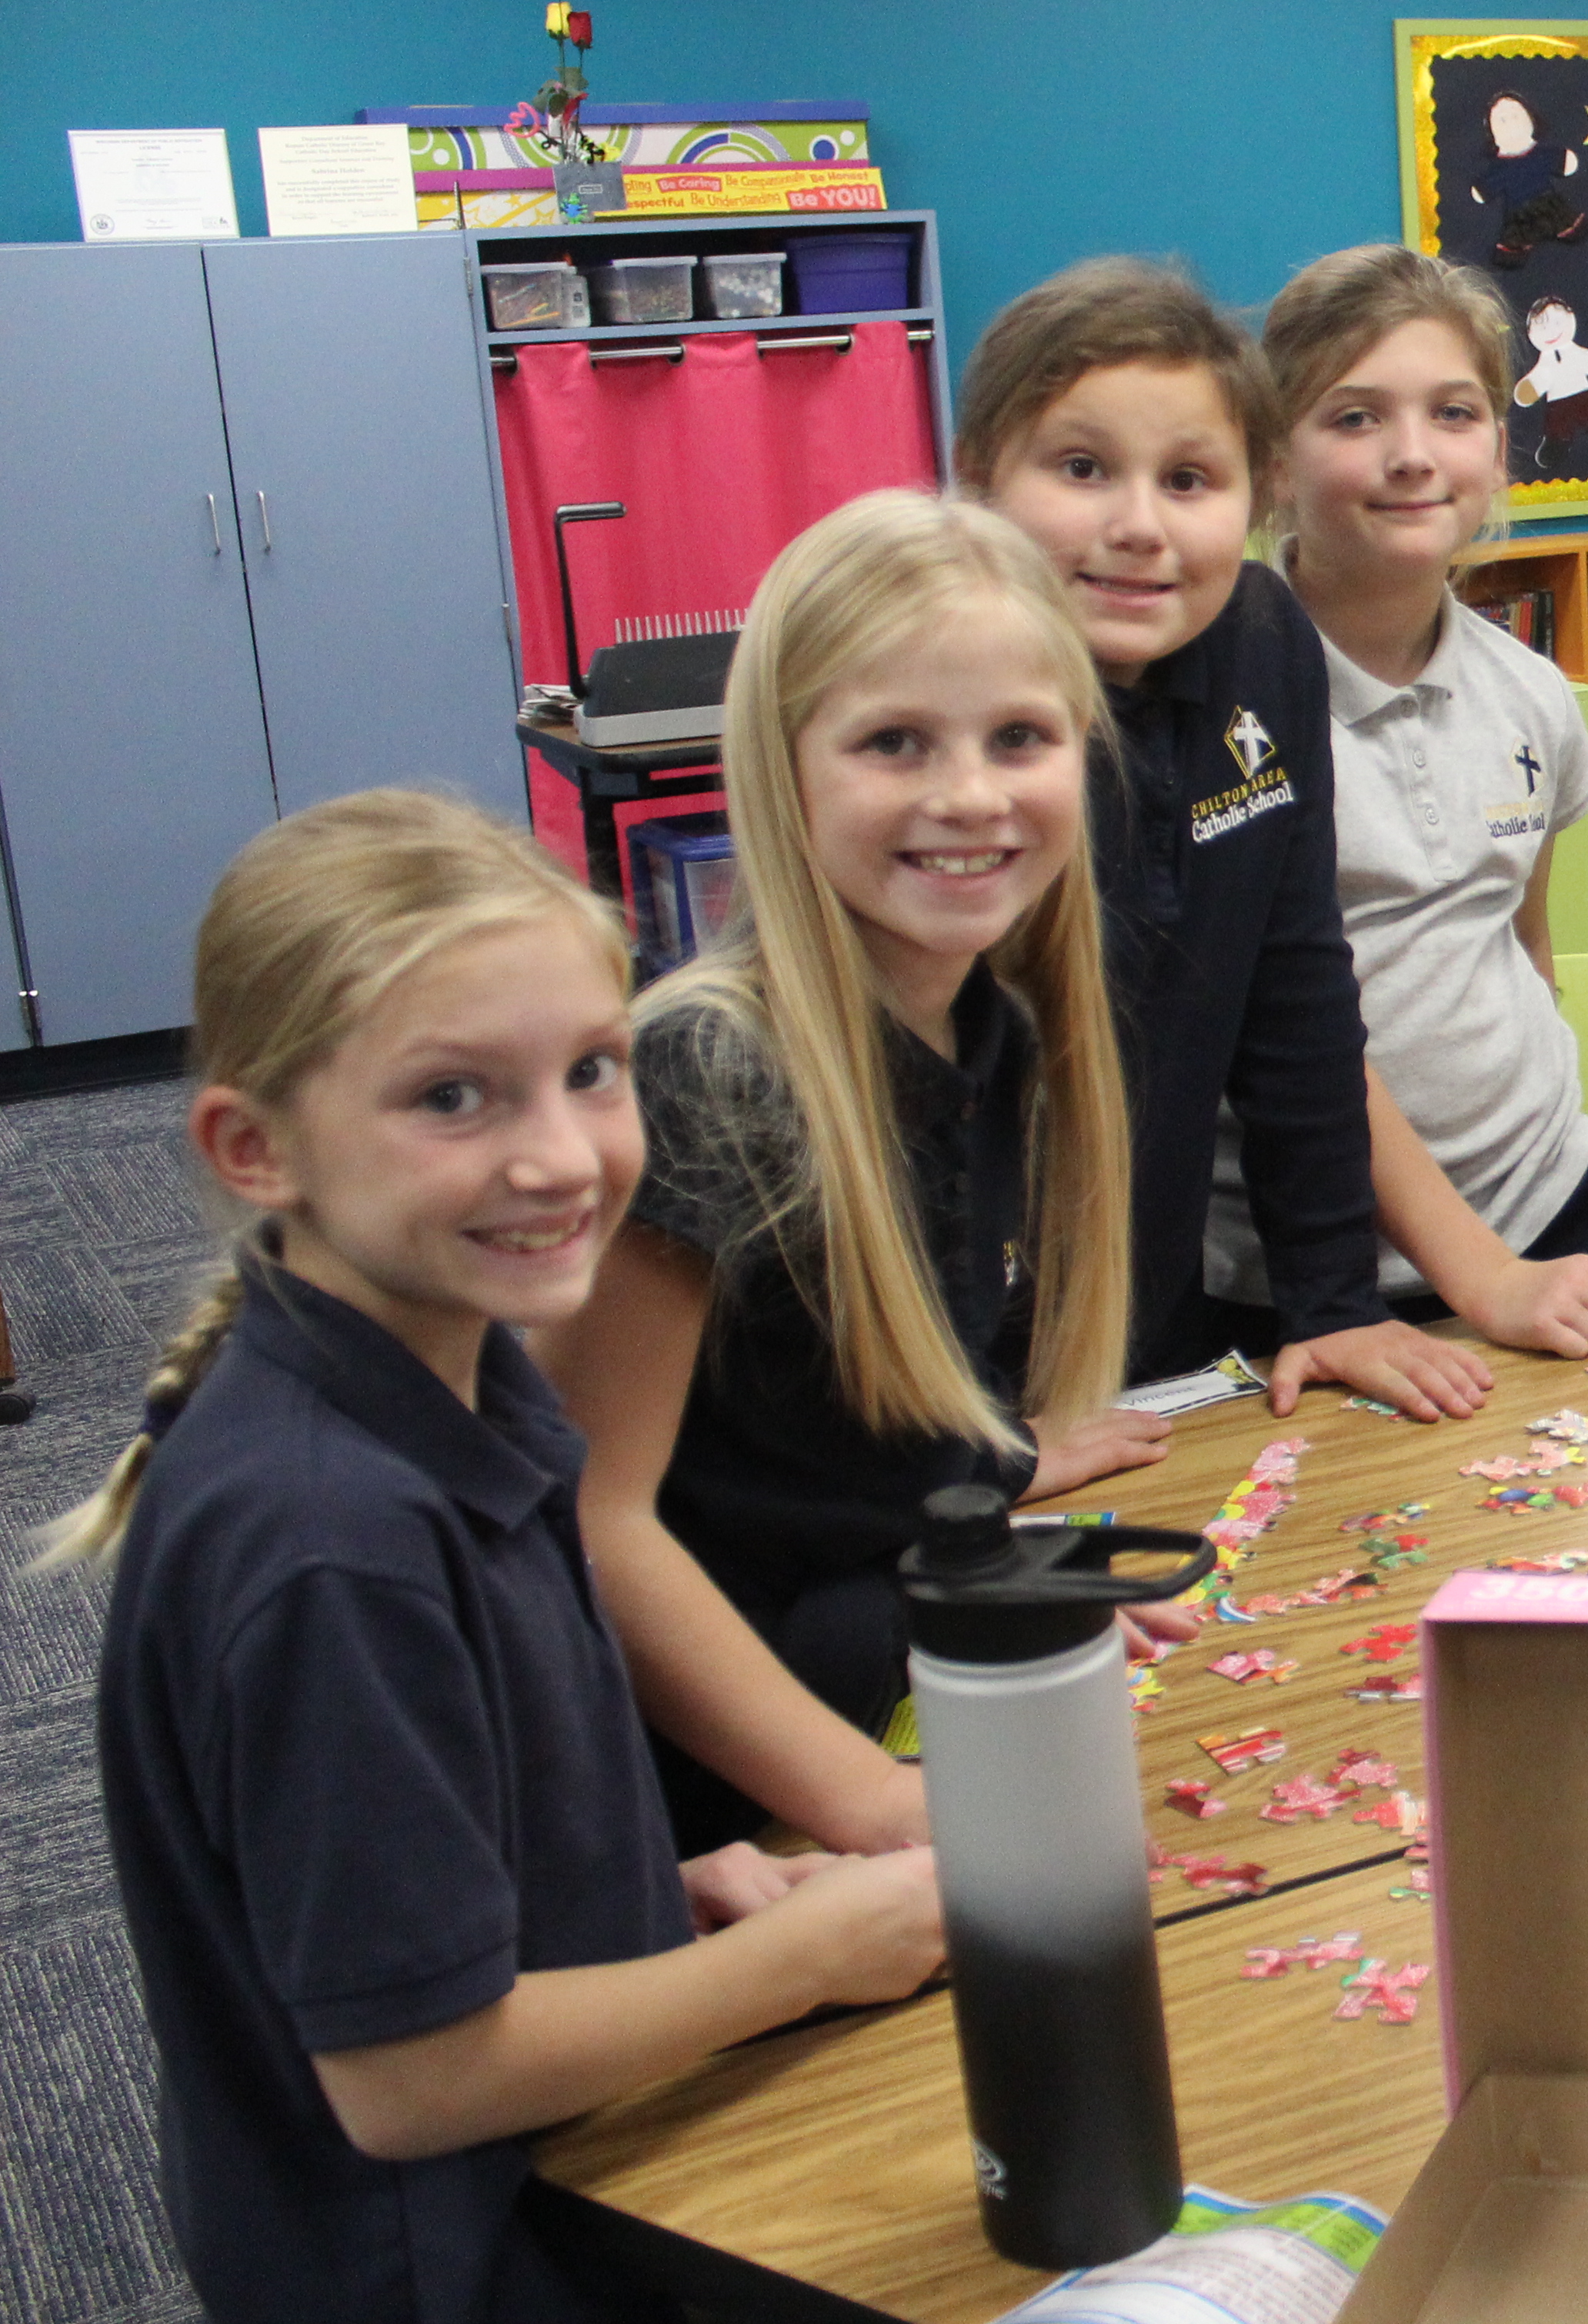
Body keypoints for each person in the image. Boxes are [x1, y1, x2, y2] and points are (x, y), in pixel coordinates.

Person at [54, 790, 942, 2324]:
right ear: (254, 1147)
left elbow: (395, 1863)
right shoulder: (333, 1544)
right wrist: (802, 1964)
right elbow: (410, 2079)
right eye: (455, 1100)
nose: (559, 1157)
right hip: (464, 2260)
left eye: (591, 1072)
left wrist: (660, 1899)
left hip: (565, 2158)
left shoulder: (457, 1379)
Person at [538, 492, 1153, 1856]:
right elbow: (595, 1523)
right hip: (702, 1803)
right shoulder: (713, 1078)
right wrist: (860, 1801)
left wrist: (1003, 1542)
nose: (970, 796)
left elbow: (826, 1456)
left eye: (1019, 738)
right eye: (892, 742)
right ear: (784, 767)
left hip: (866, 1678)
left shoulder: (989, 1030)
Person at [951, 255, 1484, 1422]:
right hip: (938, 1365)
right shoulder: (940, 702)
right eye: (1081, 469)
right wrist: (965, 1449)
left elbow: (1294, 991)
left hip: (1144, 1317)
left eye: (1189, 479)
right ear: (978, 479)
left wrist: (1334, 1301)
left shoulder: (1263, 641)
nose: (1137, 526)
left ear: (1257, 496)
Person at [1206, 242, 1588, 1351]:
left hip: (1553, 1211)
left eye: (1453, 413)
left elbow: (1522, 942)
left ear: (1498, 450)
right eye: (1354, 417)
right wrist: (1475, 1272)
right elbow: (1285, 1035)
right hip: (1285, 1275)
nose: (1412, 455)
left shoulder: (1535, 698)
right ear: (1274, 461)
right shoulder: (1222, 714)